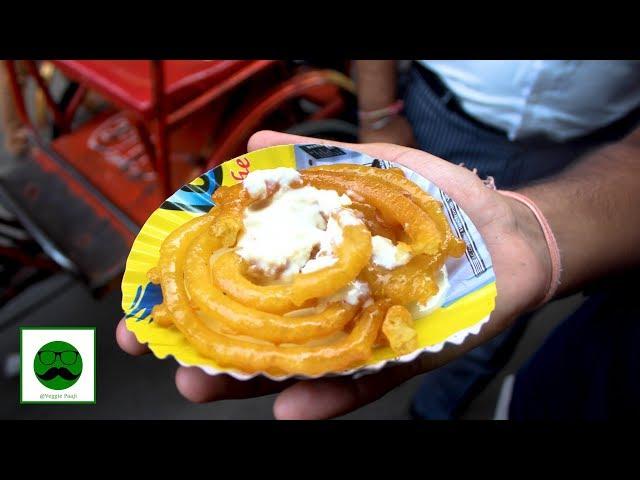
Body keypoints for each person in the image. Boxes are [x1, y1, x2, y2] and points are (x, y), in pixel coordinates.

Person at [116, 125, 640, 420]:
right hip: (571, 379)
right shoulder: (218, 241)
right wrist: (533, 230)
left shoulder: (374, 248)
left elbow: (430, 237)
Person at [355, 60, 640, 418]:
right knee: (382, 228)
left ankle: (432, 410)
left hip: (590, 143)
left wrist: (539, 236)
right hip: (443, 112)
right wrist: (378, 113)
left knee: (500, 310)